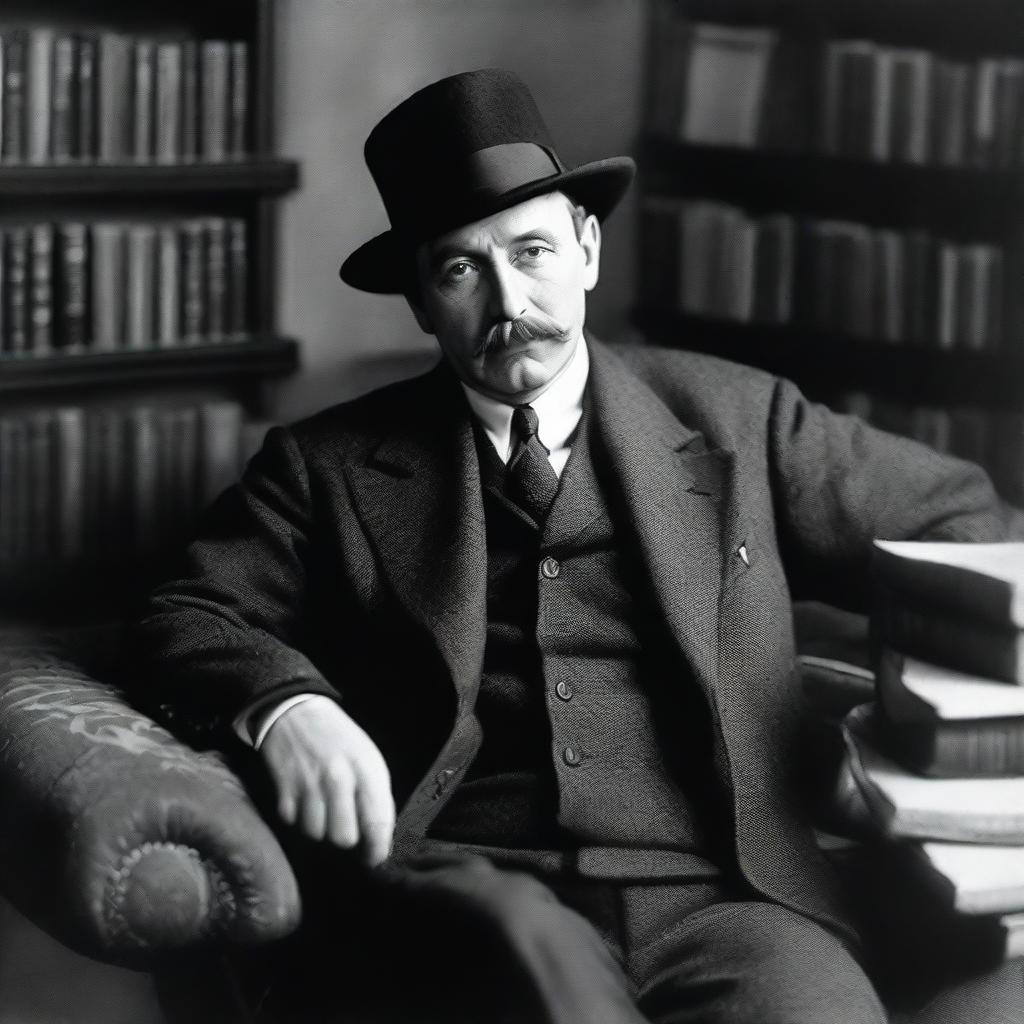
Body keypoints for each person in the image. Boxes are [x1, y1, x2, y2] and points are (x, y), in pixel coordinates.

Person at [130, 69, 1024, 1023]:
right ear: (422, 304)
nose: (509, 298)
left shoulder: (739, 418)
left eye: (534, 250)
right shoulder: (327, 466)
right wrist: (285, 704)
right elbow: (187, 612)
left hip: (729, 895)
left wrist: (904, 719)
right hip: (477, 887)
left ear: (589, 250)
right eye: (461, 268)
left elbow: (962, 521)